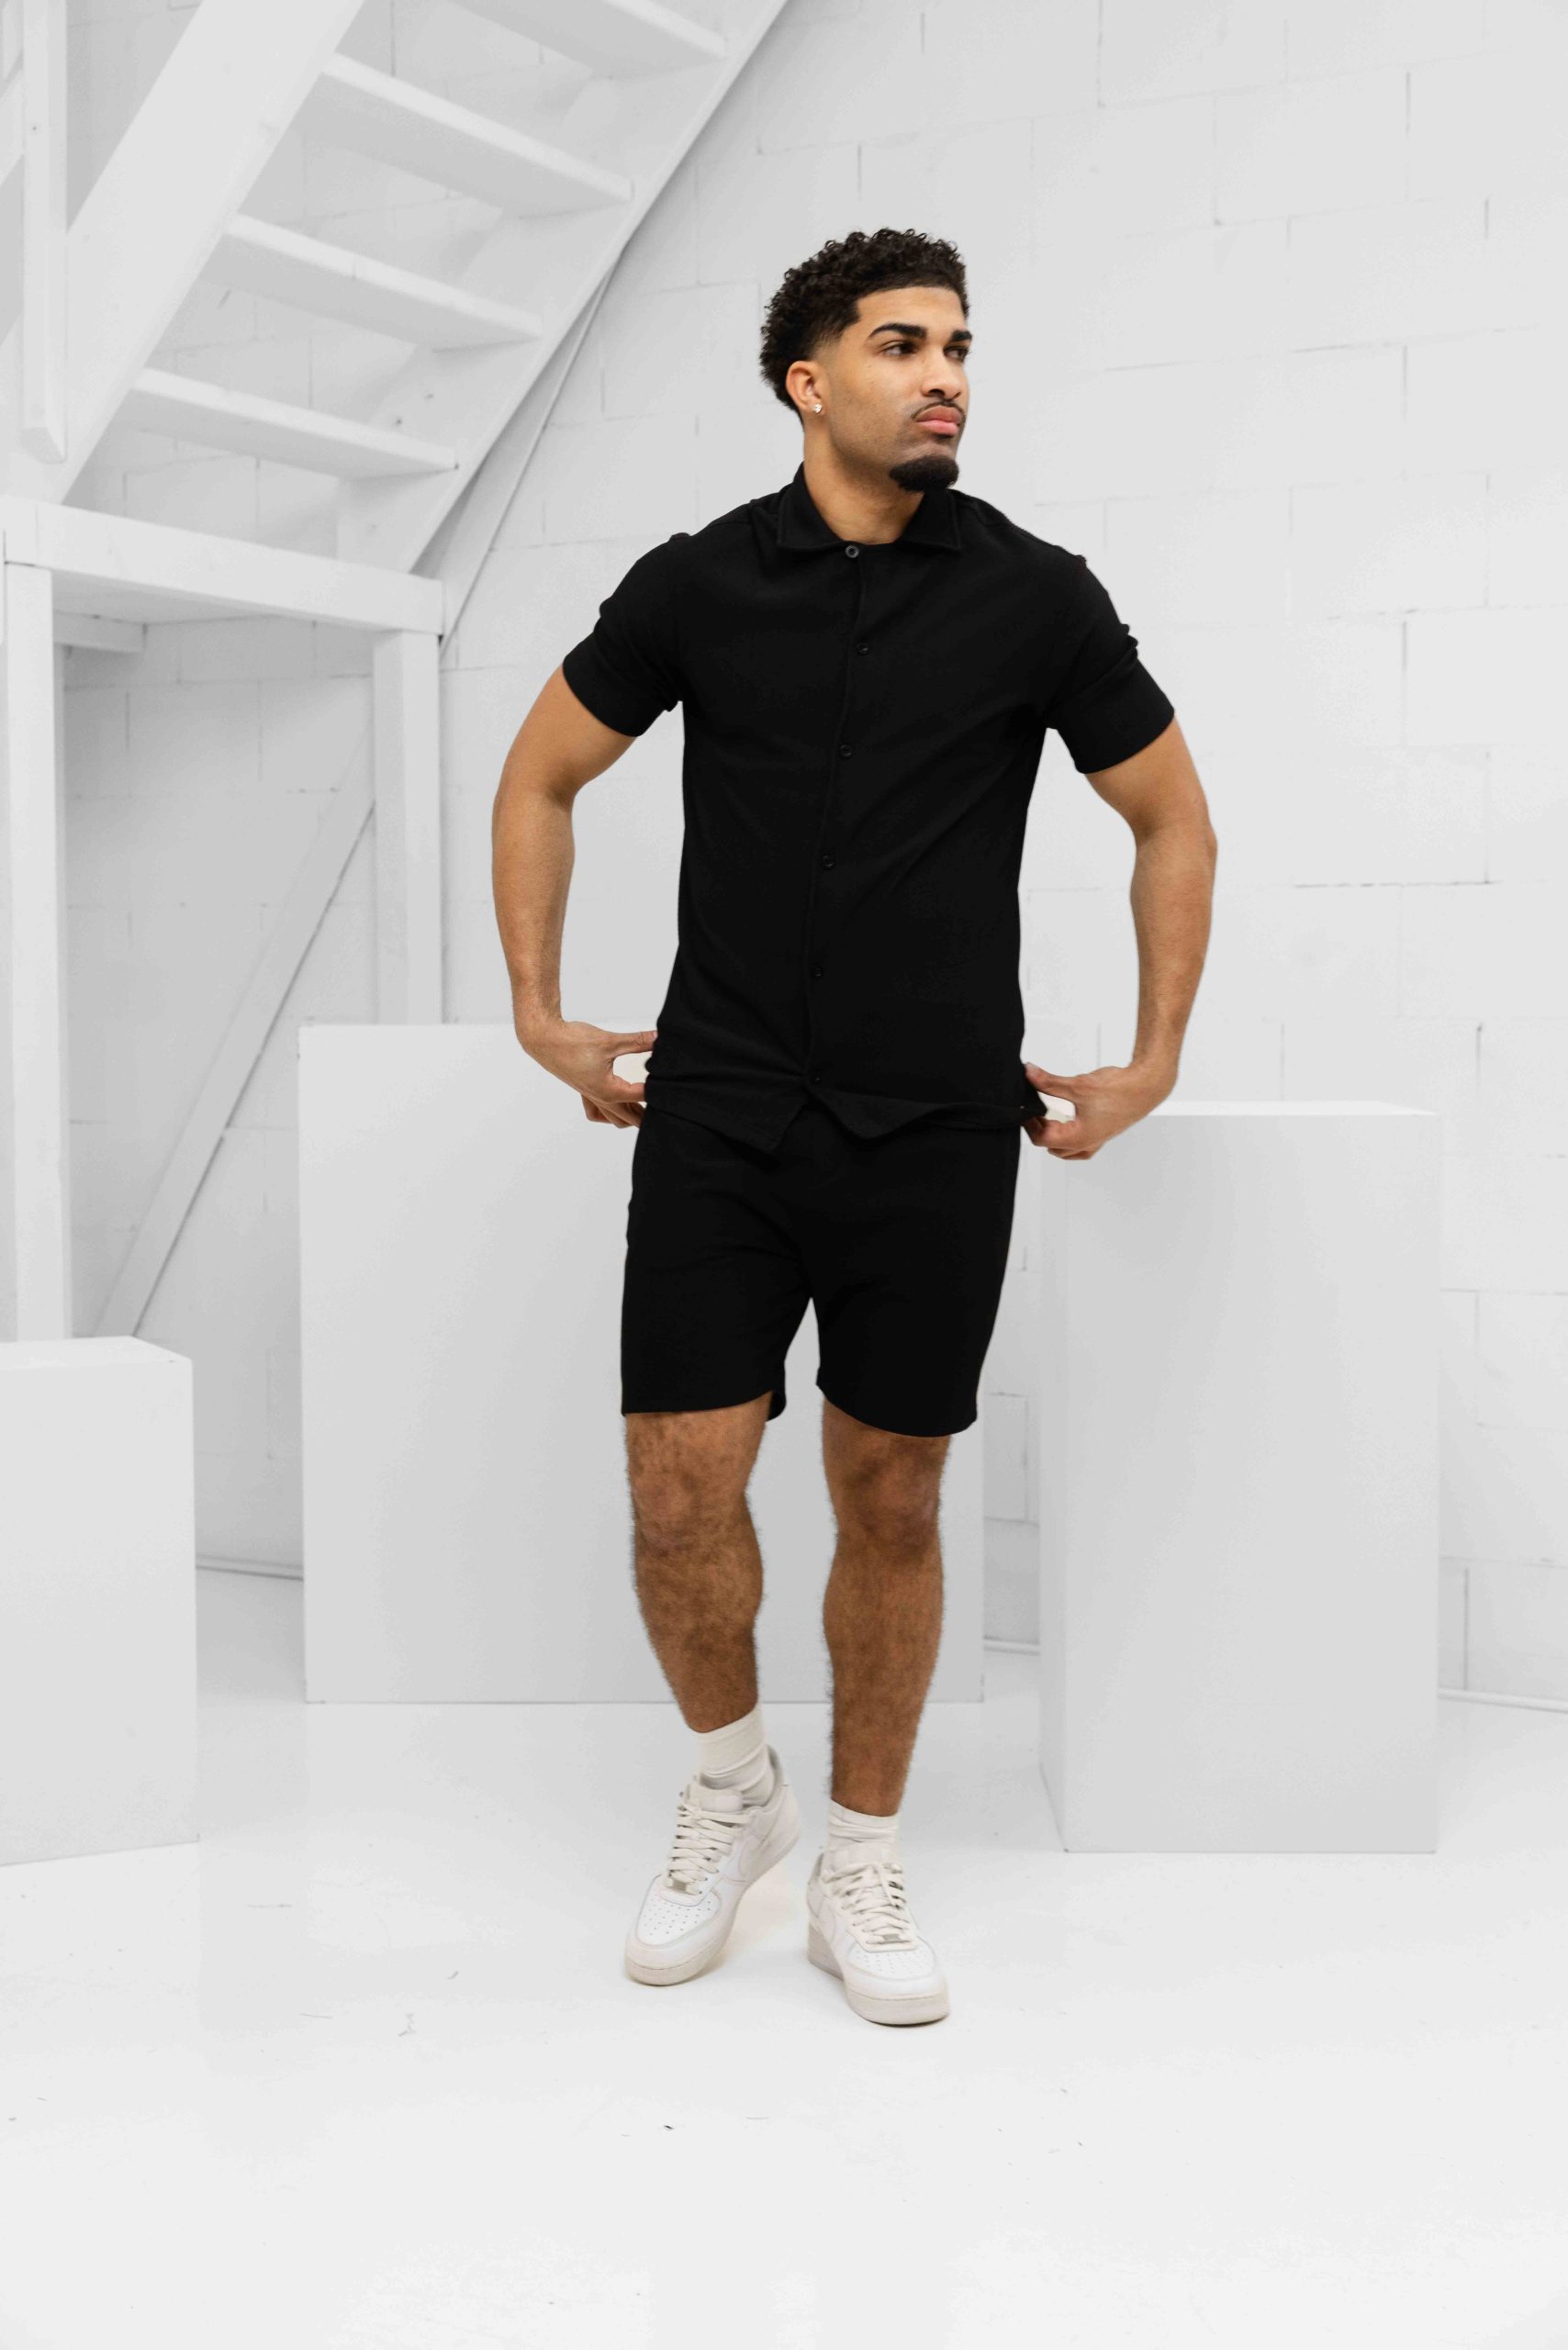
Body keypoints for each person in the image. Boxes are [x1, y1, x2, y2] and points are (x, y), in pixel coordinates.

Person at [491, 227, 1216, 2027]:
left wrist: (1153, 1056)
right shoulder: (696, 583)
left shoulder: (1037, 596)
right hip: (719, 1109)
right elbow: (541, 773)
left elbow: (1171, 819)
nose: (944, 374)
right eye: (902, 344)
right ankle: (731, 1787)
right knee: (677, 1483)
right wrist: (536, 1009)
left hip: (936, 1127)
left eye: (958, 344)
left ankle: (861, 1854)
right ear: (807, 383)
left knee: (889, 1492)